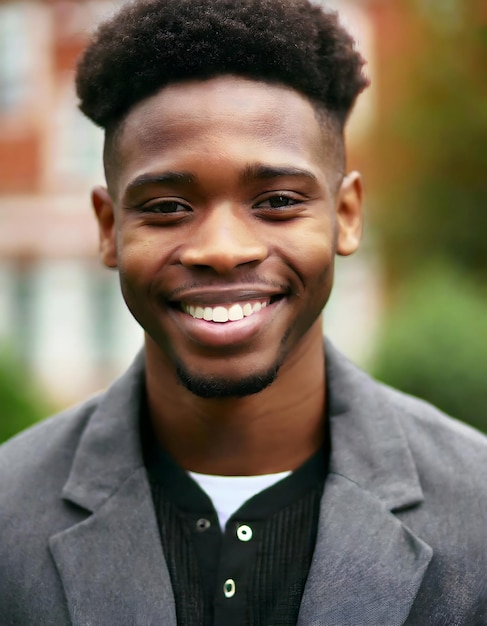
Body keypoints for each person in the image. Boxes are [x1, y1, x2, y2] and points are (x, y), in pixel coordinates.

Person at [1, 0, 486, 623]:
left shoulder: (476, 508)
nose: (223, 251)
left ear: (345, 215)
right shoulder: (10, 513)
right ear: (108, 228)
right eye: (169, 207)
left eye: (278, 201)